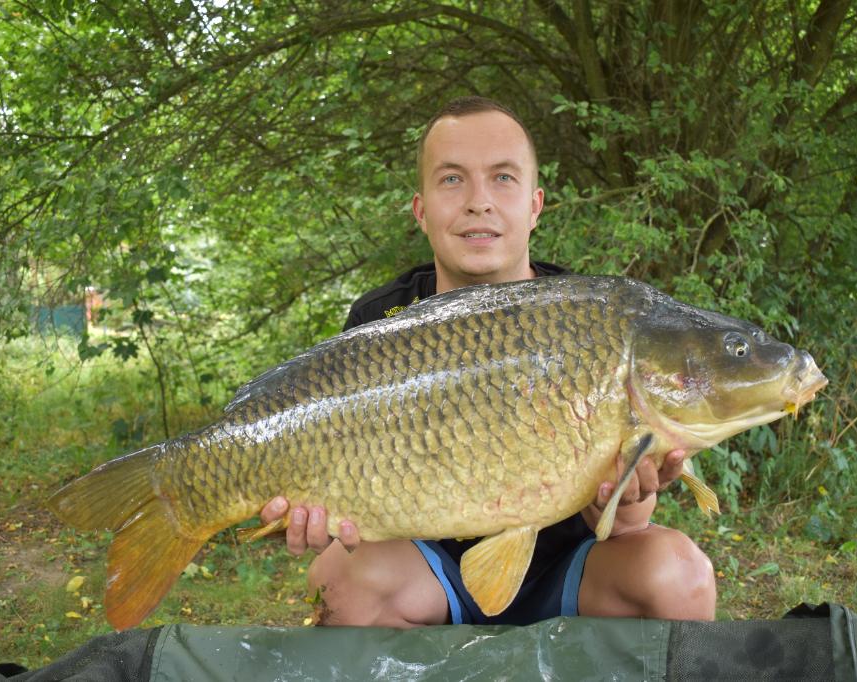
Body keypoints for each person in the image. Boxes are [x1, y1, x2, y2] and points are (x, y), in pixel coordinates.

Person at [259, 97, 716, 627]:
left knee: (680, 576)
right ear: (421, 210)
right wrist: (322, 509)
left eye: (503, 178)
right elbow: (342, 479)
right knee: (337, 582)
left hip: (572, 570)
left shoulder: (592, 317)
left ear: (535, 205)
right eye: (452, 179)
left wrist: (626, 497)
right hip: (429, 572)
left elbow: (626, 527)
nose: (479, 202)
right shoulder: (381, 321)